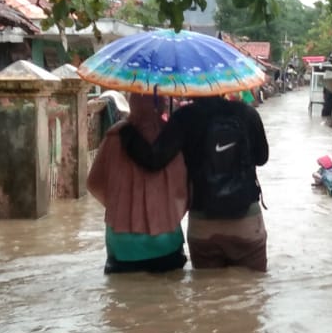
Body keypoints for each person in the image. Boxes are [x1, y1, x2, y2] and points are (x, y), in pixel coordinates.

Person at [119, 93, 269, 272]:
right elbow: (262, 158)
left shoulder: (184, 117)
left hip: (203, 223)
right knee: (251, 291)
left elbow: (155, 160)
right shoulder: (247, 113)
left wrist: (127, 132)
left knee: (206, 294)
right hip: (247, 221)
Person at [85, 94, 189, 274]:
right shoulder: (173, 137)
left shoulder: (114, 136)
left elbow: (93, 183)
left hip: (122, 245)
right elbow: (185, 189)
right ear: (161, 104)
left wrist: (118, 208)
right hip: (166, 242)